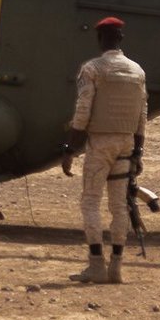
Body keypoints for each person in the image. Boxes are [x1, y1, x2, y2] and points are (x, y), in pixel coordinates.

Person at [62, 15, 147, 284]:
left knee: (90, 202)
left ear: (100, 39)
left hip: (100, 143)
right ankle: (116, 267)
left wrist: (70, 148)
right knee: (119, 206)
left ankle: (96, 264)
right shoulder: (137, 71)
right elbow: (142, 114)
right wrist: (138, 151)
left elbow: (83, 110)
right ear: (120, 38)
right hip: (126, 143)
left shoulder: (93, 69)